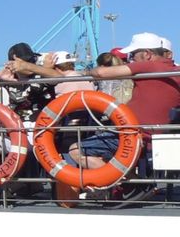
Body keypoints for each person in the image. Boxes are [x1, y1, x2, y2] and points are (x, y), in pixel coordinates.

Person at [10, 32, 180, 203]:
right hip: (153, 134)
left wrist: (89, 71)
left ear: (147, 54)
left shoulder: (150, 66)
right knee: (99, 145)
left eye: (133, 55)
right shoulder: (175, 71)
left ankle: (133, 185)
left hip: (135, 134)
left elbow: (101, 73)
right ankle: (129, 185)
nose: (131, 60)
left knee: (76, 150)